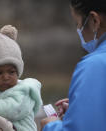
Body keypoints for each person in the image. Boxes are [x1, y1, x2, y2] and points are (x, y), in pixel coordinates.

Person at [41, 0, 106, 131]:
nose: (78, 30)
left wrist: (51, 126)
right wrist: (81, 107)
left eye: (78, 24)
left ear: (94, 21)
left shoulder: (94, 65)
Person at [0, 25, 43, 131]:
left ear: (18, 73)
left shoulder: (23, 92)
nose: (6, 77)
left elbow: (9, 109)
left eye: (11, 72)